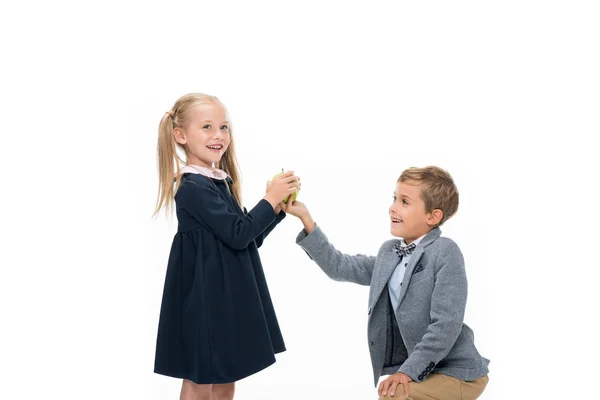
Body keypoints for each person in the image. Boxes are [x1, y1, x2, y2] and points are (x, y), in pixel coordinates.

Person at [283, 166, 489, 400]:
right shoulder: (389, 253)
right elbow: (339, 266)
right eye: (394, 198)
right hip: (426, 372)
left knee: (395, 395)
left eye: (405, 202)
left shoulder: (445, 251)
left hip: (457, 372)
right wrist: (305, 217)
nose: (393, 207)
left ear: (433, 216)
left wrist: (406, 372)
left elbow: (445, 325)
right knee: (393, 393)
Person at [152, 93, 300, 400]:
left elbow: (248, 238)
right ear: (181, 135)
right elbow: (238, 233)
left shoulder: (218, 181)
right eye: (206, 127)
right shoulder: (193, 186)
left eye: (223, 127)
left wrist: (277, 209)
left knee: (226, 376)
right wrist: (269, 199)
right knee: (199, 376)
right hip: (204, 298)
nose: (218, 136)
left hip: (224, 296)